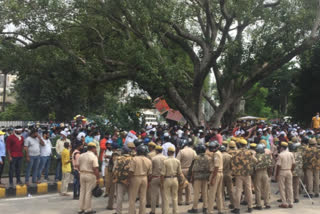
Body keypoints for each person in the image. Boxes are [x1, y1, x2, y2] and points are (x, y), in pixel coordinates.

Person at [231, 139, 256, 214]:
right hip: (247, 174)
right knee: (248, 190)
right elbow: (256, 160)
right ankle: (250, 207)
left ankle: (237, 208)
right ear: (245, 145)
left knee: (238, 191)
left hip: (238, 174)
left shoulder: (236, 152)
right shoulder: (249, 152)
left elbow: (232, 162)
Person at [128, 145, 152, 214]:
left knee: (132, 197)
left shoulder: (134, 159)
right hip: (145, 178)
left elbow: (131, 171)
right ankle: (142, 212)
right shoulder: (148, 160)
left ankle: (132, 212)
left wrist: (128, 180)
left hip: (135, 177)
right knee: (143, 197)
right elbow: (150, 173)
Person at [188, 144, 211, 214]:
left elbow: (193, 169)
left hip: (197, 177)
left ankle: (195, 208)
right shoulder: (208, 158)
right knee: (205, 193)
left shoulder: (196, 158)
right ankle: (205, 207)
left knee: (196, 193)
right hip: (205, 177)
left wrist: (191, 177)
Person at [78, 142, 100, 214]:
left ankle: (81, 208)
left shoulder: (81, 155)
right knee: (88, 192)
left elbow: (78, 166)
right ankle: (88, 209)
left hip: (82, 174)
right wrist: (98, 178)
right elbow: (95, 168)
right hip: (90, 174)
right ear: (93, 148)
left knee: (82, 191)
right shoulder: (93, 156)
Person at [112, 146, 134, 214]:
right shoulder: (132, 158)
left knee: (119, 197)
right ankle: (132, 211)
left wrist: (115, 178)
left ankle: (118, 212)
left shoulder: (118, 159)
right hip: (129, 180)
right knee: (131, 197)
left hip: (119, 180)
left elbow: (114, 170)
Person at [161, 147, 182, 214]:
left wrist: (161, 183)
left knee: (166, 197)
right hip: (175, 179)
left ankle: (166, 212)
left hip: (167, 179)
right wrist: (181, 181)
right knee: (175, 197)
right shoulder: (177, 161)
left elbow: (162, 174)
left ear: (169, 152)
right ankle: (175, 211)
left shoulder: (165, 161)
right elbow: (180, 173)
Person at [177, 139, 196, 206]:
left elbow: (177, 161)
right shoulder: (193, 151)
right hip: (190, 170)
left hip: (182, 170)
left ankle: (180, 201)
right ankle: (188, 200)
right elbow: (195, 161)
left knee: (181, 186)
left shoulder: (181, 151)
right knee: (188, 186)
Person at [276, 142, 295, 208]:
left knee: (282, 188)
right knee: (289, 187)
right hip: (289, 171)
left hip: (282, 171)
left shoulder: (280, 155)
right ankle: (291, 202)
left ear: (282, 148)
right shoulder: (291, 154)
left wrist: (276, 174)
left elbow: (278, 165)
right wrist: (291, 171)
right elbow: (294, 164)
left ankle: (284, 203)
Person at [253, 144, 272, 210]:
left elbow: (252, 166)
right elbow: (270, 166)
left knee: (258, 189)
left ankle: (259, 205)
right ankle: (267, 203)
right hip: (265, 172)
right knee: (266, 188)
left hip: (258, 173)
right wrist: (270, 174)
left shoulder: (255, 156)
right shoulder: (266, 156)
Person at [207, 141, 224, 214]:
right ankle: (220, 209)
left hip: (215, 174)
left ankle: (210, 211)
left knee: (211, 193)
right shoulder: (219, 153)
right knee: (218, 193)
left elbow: (216, 166)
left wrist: (213, 178)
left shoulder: (216, 154)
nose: (211, 149)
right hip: (220, 173)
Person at [150, 145, 167, 214]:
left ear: (156, 151)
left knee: (153, 195)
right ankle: (164, 211)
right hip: (163, 178)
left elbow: (151, 170)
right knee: (164, 196)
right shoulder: (166, 158)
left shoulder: (153, 158)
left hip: (155, 177)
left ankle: (153, 211)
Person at [221, 144, 234, 209]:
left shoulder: (220, 156)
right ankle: (233, 203)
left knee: (221, 190)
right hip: (229, 174)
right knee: (230, 190)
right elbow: (232, 166)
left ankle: (222, 204)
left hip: (221, 174)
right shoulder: (230, 156)